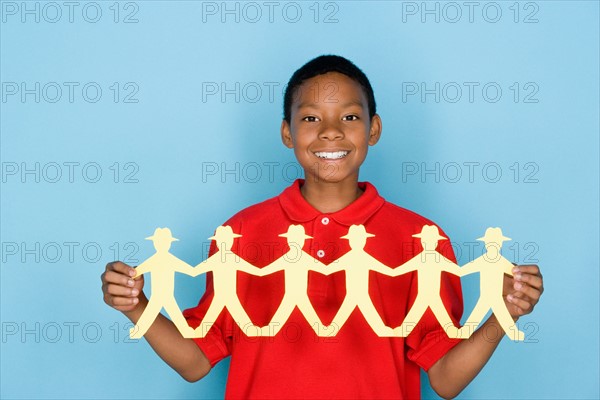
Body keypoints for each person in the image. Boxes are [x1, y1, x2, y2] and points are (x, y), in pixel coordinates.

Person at [101, 55, 544, 399]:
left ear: (373, 129)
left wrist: (504, 313)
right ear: (287, 133)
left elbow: (446, 378)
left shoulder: (422, 240)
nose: (330, 133)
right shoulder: (239, 234)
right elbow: (197, 360)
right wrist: (136, 305)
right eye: (311, 118)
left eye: (349, 117)